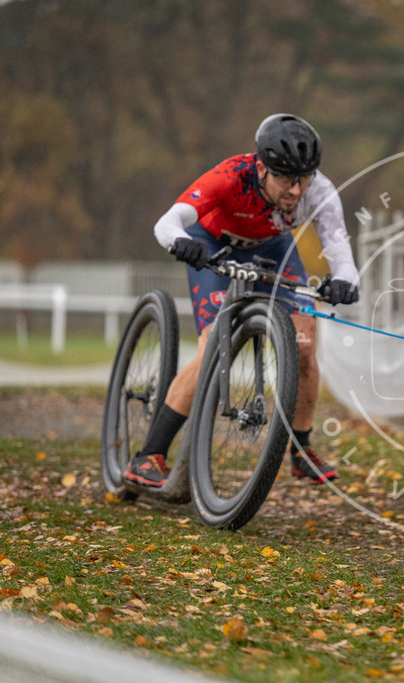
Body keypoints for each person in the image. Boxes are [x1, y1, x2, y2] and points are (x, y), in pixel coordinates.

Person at [124, 113, 359, 488]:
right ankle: (148, 455)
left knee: (305, 341)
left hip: (273, 247)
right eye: (285, 178)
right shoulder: (230, 177)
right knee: (213, 348)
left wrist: (344, 282)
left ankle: (301, 449)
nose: (296, 190)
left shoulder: (319, 190)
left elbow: (340, 250)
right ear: (262, 168)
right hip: (216, 246)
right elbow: (167, 222)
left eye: (303, 178)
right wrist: (181, 242)